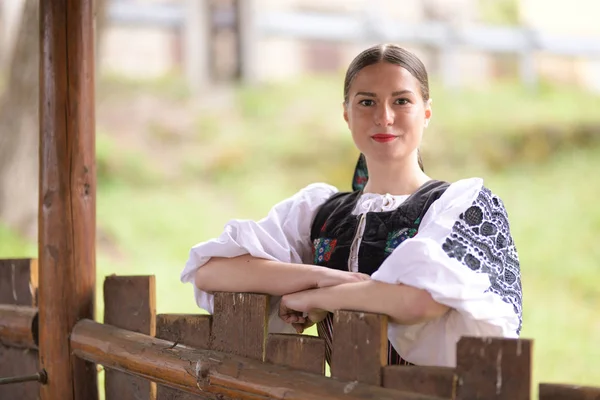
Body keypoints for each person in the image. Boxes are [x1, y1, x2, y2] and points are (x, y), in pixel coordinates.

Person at [180, 44, 522, 368]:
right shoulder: (320, 211)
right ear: (346, 113)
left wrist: (319, 299)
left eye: (401, 101)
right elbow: (212, 271)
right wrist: (320, 276)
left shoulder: (460, 206)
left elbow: (422, 300)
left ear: (427, 112)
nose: (384, 117)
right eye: (367, 102)